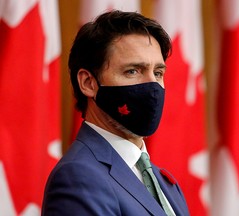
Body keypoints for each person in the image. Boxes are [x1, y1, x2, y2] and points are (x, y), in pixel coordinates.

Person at [42, 10, 190, 216]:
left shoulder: (164, 181)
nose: (152, 85)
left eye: (158, 73)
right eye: (133, 71)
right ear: (88, 83)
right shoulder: (78, 176)